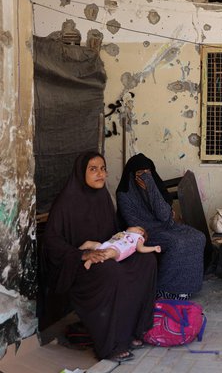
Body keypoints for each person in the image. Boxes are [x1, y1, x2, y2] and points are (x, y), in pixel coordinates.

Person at [44, 152, 157, 363]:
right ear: (81, 172)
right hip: (79, 264)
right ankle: (111, 344)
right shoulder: (66, 201)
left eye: (103, 168)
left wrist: (128, 235)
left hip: (105, 253)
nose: (101, 174)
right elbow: (51, 241)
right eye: (93, 169)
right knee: (110, 271)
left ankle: (132, 331)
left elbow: (111, 234)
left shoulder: (103, 197)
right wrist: (82, 254)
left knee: (146, 261)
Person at [116, 153, 206, 300]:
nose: (145, 177)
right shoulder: (124, 194)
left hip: (167, 226)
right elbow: (135, 225)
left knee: (198, 237)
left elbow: (164, 215)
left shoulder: (154, 186)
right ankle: (165, 289)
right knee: (177, 243)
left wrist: (151, 189)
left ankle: (187, 288)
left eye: (148, 173)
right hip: (146, 232)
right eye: (140, 173)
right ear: (132, 175)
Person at [79, 226, 161, 270]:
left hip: (118, 251)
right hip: (106, 245)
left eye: (135, 226)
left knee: (108, 253)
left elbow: (141, 249)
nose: (131, 226)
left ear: (140, 231)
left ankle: (91, 261)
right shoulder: (124, 233)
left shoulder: (138, 237)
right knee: (88, 243)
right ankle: (77, 252)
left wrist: (154, 248)